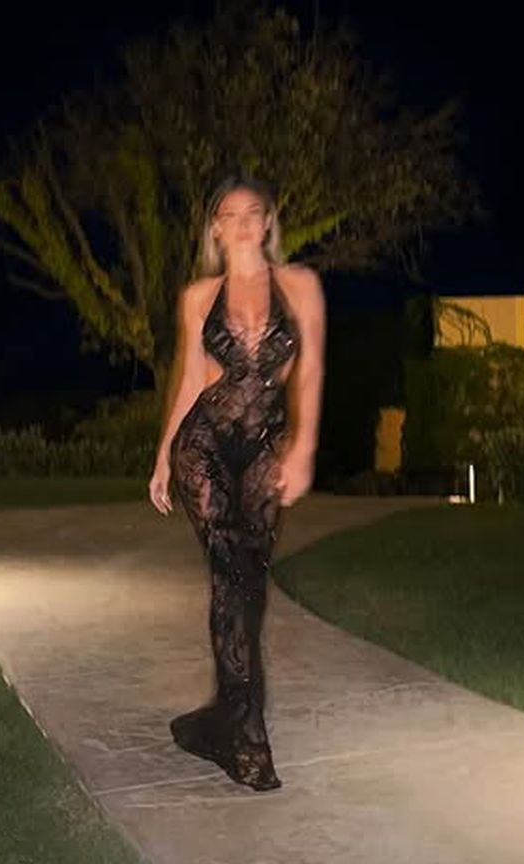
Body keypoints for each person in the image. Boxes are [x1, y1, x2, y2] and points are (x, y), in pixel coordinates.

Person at [148, 175, 326, 791]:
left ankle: (220, 719)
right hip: (204, 446)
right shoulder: (200, 296)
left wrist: (303, 448)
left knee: (251, 584)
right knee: (228, 572)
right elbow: (191, 379)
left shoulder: (300, 285)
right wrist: (163, 457)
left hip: (266, 446)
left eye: (255, 212)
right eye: (231, 214)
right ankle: (248, 740)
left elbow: (311, 369)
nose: (244, 222)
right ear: (216, 229)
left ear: (268, 222)